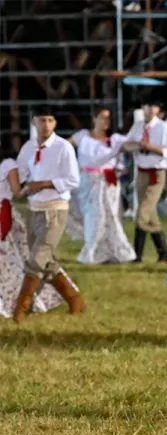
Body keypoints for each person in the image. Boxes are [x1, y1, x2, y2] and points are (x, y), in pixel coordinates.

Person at [12, 106, 84, 322]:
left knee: (37, 259)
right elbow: (22, 173)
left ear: (55, 124)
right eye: (42, 120)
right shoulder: (28, 148)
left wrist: (45, 183)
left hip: (56, 209)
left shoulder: (63, 148)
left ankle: (20, 308)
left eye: (50, 120)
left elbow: (73, 180)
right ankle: (74, 300)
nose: (45, 125)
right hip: (34, 210)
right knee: (45, 260)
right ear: (35, 122)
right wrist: (22, 187)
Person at [0, 157, 73, 319]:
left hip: (3, 215)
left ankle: (22, 300)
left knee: (25, 260)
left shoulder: (7, 165)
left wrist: (36, 187)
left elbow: (18, 192)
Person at [68, 106, 136, 264]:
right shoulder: (83, 136)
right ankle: (98, 252)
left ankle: (101, 252)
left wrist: (141, 143)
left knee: (108, 216)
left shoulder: (115, 139)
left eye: (108, 118)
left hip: (106, 183)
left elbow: (129, 145)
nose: (105, 121)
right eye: (102, 117)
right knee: (90, 216)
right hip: (86, 181)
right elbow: (65, 146)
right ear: (94, 119)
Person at [124, 98, 167, 263]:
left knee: (143, 213)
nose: (151, 109)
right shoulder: (138, 126)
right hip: (142, 172)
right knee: (151, 215)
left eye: (154, 106)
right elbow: (127, 144)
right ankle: (163, 253)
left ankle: (137, 254)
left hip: (157, 172)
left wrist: (151, 148)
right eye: (148, 106)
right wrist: (138, 146)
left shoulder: (163, 127)